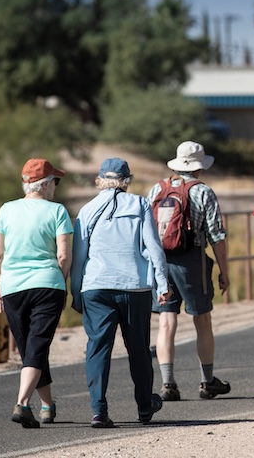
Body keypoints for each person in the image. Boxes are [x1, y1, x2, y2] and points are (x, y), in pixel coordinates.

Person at [71, 158, 170, 428]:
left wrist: (76, 292)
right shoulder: (139, 204)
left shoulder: (87, 209)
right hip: (133, 287)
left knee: (98, 348)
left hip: (96, 286)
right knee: (138, 349)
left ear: (100, 179)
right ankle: (144, 407)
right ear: (127, 180)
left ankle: (98, 411)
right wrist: (162, 283)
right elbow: (153, 248)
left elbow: (78, 257)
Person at [146, 141, 232, 402]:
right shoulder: (203, 192)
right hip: (192, 260)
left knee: (166, 321)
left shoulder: (156, 189)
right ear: (199, 168)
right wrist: (224, 271)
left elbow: (147, 229)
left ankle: (168, 384)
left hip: (161, 261)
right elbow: (216, 234)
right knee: (202, 321)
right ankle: (207, 382)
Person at [0, 158, 72, 429]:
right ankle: (23, 403)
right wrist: (60, 284)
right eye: (55, 182)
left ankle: (48, 406)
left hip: (13, 287)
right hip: (47, 285)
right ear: (46, 184)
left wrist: (2, 284)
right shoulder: (57, 211)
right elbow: (63, 255)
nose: (56, 187)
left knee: (31, 349)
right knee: (36, 348)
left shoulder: (6, 209)